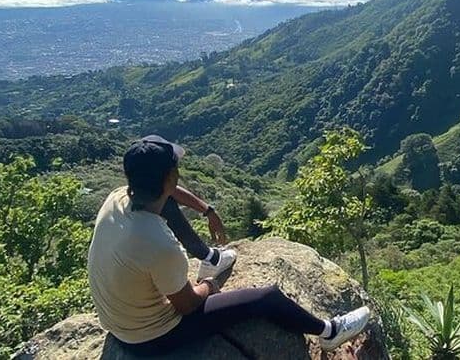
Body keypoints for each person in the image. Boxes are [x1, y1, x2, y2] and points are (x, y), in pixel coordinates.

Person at [87, 135, 370, 357]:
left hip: (117, 324)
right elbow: (186, 306)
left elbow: (167, 196)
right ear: (170, 177)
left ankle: (210, 256)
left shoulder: (118, 199)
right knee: (266, 298)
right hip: (152, 338)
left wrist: (206, 210)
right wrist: (208, 286)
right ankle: (329, 332)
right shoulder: (160, 246)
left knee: (168, 205)